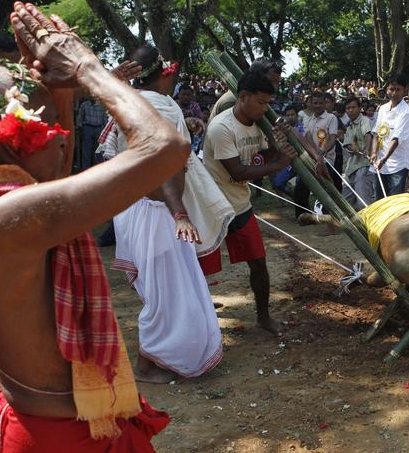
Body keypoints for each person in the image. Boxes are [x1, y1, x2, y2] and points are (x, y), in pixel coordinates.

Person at [0, 2, 190, 453]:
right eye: (44, 126)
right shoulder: (0, 220)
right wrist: (87, 67)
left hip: (52, 431)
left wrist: (59, 91)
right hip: (61, 450)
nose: (61, 138)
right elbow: (166, 148)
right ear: (12, 137)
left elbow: (58, 170)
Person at [101, 45, 227, 384]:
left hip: (141, 206)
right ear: (166, 73)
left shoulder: (138, 102)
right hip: (159, 210)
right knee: (165, 289)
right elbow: (162, 166)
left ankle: (165, 355)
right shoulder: (155, 107)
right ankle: (148, 362)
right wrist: (180, 214)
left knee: (169, 286)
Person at [200, 70, 298, 337]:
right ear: (243, 97)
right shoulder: (221, 127)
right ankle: (198, 312)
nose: (265, 109)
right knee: (200, 265)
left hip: (240, 204)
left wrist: (277, 150)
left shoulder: (259, 123)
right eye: (261, 102)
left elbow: (259, 155)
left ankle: (263, 317)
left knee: (258, 261)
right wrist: (279, 164)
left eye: (268, 103)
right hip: (212, 206)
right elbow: (238, 172)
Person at [369, 74, 409, 199]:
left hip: (398, 164)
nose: (393, 93)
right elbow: (376, 134)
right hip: (380, 162)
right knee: (380, 199)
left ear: (405, 90)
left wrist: (383, 159)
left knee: (394, 201)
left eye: (397, 89)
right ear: (387, 90)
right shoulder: (383, 109)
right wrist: (374, 153)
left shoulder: (406, 113)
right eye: (391, 89)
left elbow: (396, 139)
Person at [294, 92, 338, 217]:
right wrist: (313, 153)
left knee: (327, 190)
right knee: (301, 188)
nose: (317, 105)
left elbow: (333, 138)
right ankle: (303, 216)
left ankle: (330, 218)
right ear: (310, 104)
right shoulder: (307, 120)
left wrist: (324, 151)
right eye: (315, 103)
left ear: (324, 104)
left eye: (320, 103)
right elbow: (306, 139)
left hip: (326, 160)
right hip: (310, 160)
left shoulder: (331, 118)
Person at [209, 57, 283, 123]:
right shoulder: (233, 101)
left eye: (277, 82)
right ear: (257, 76)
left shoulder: (259, 99)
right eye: (272, 80)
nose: (275, 87)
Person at [340, 96, 374, 209]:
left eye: (353, 107)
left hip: (364, 165)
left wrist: (367, 149)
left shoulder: (364, 120)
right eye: (348, 108)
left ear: (360, 108)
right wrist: (351, 147)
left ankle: (368, 225)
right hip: (351, 167)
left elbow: (368, 134)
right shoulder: (349, 126)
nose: (350, 110)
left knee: (363, 202)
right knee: (345, 202)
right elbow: (347, 145)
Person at [76, 96, 107, 170]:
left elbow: (104, 119)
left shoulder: (102, 105)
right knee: (86, 149)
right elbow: (80, 118)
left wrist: (105, 131)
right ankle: (85, 169)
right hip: (87, 128)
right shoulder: (84, 105)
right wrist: (80, 128)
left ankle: (98, 168)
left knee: (98, 150)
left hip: (99, 128)